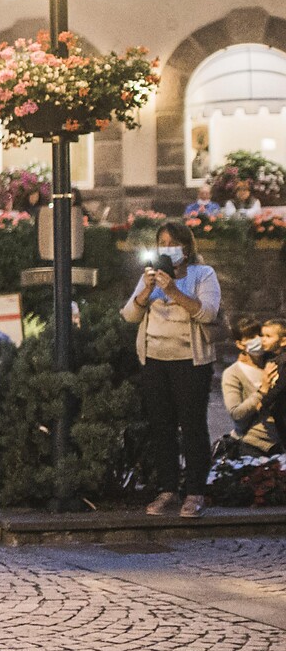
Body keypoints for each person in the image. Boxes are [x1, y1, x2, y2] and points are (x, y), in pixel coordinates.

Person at [122, 221, 221, 517]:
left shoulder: (203, 274)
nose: (167, 248)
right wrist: (147, 290)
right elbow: (129, 315)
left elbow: (207, 312)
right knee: (161, 426)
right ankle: (168, 489)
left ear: (186, 248)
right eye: (161, 242)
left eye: (172, 243)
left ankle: (195, 492)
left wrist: (174, 291)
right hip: (154, 360)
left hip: (190, 362)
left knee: (192, 426)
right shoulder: (150, 278)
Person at [222, 317, 283, 458]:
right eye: (251, 337)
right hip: (253, 446)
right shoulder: (233, 373)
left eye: (260, 334)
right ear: (240, 344)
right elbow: (237, 414)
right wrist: (262, 390)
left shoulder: (276, 363)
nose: (258, 339)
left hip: (279, 443)